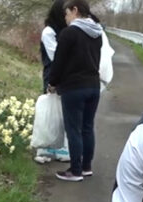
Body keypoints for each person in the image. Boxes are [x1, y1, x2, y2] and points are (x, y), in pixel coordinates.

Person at [46, 0, 103, 182]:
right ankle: (86, 167)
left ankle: (75, 171)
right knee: (87, 127)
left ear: (75, 10)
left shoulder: (69, 33)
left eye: (67, 13)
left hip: (74, 87)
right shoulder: (97, 33)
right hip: (94, 86)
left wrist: (52, 82)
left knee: (74, 130)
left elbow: (59, 62)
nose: (65, 17)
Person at [34, 1, 71, 164]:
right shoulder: (49, 32)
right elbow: (56, 56)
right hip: (53, 75)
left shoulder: (67, 31)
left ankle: (62, 149)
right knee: (49, 114)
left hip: (67, 76)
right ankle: (44, 148)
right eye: (64, 13)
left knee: (63, 114)